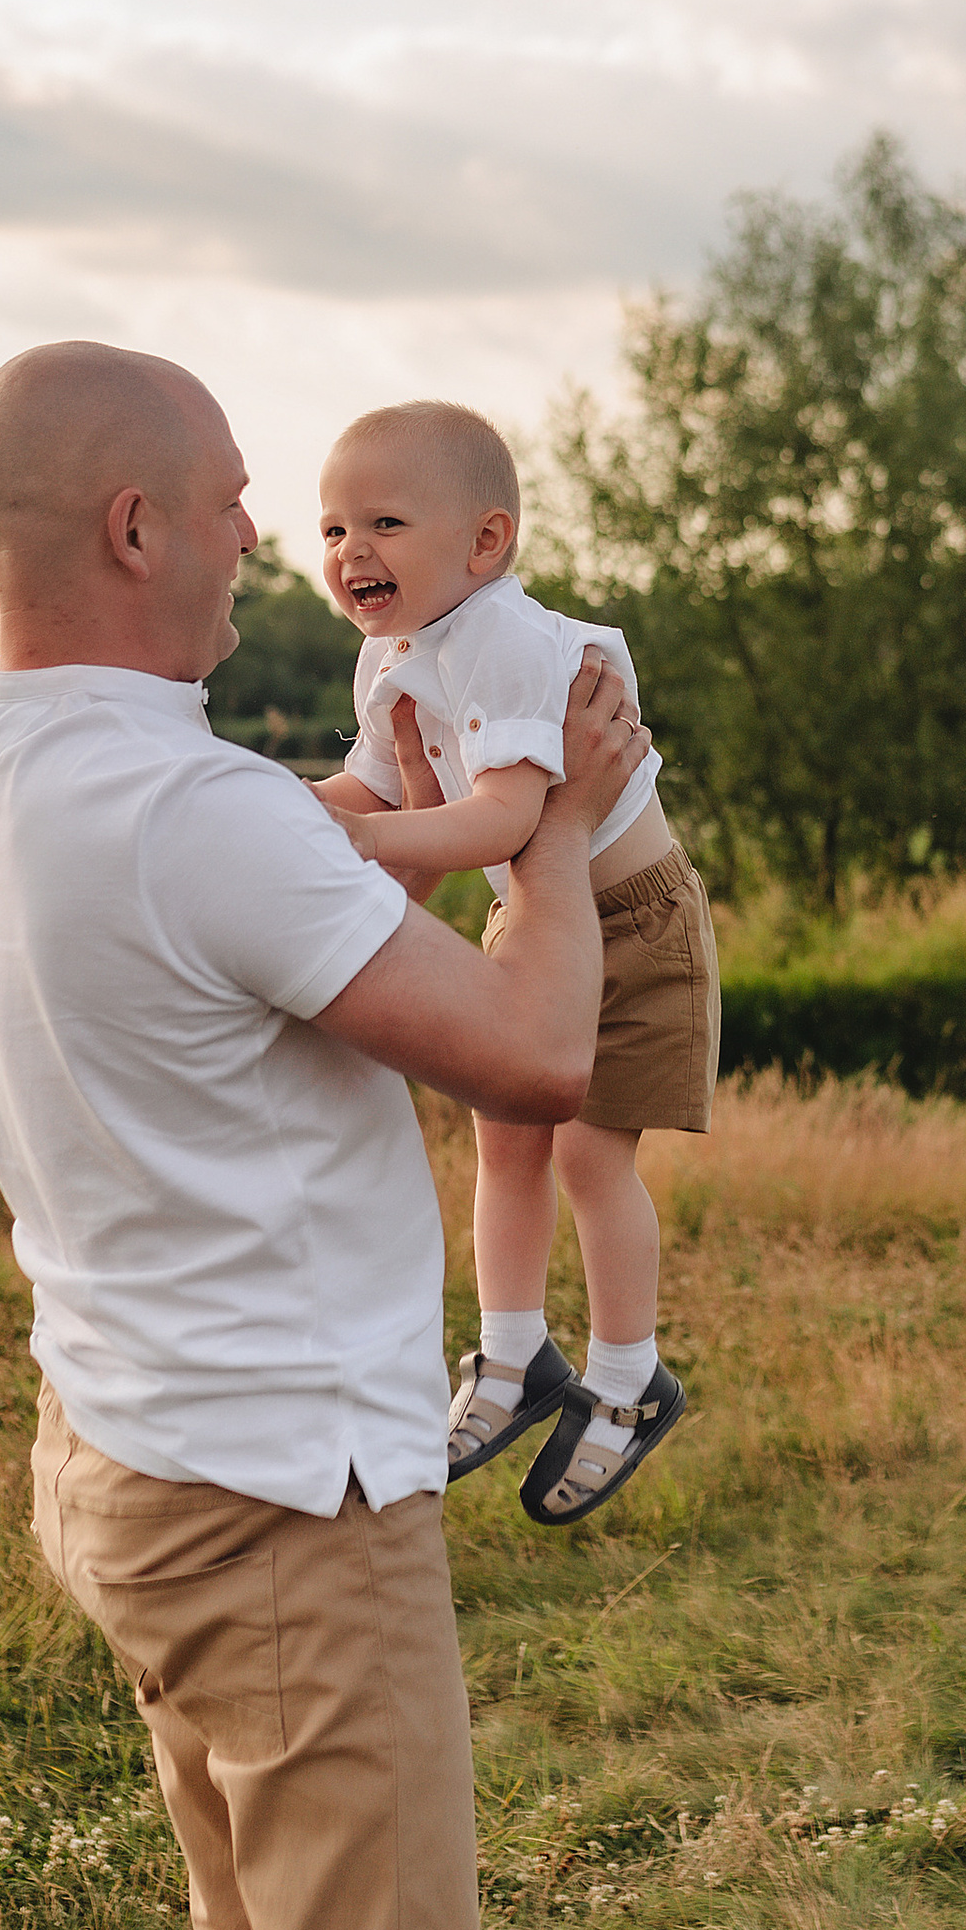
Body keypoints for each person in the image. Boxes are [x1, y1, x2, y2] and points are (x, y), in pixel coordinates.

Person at [0, 339, 643, 1930]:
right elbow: (535, 1056)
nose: (266, 530)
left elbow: (267, 939)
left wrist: (397, 825)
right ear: (135, 524)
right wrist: (556, 830)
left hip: (131, 1456)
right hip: (288, 1507)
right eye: (236, 492)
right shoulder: (197, 809)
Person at [311, 399, 718, 1525]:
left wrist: (362, 839)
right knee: (504, 1144)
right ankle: (512, 1356)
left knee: (590, 1156)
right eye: (334, 529)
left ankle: (629, 1380)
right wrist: (277, 808)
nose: (352, 551)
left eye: (385, 523)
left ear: (486, 541)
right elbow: (374, 787)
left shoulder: (506, 640)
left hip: (629, 919)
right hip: (533, 916)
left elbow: (502, 818)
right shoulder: (393, 654)